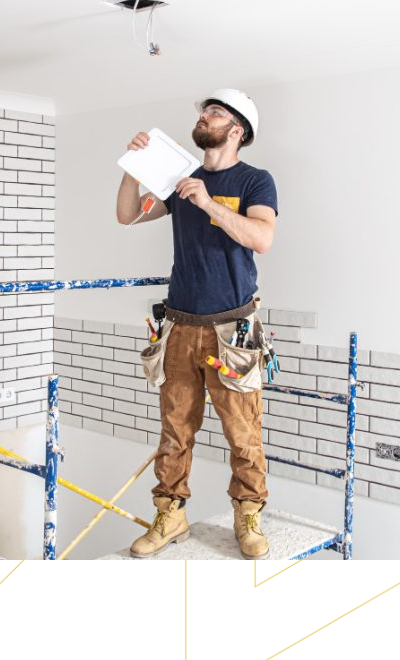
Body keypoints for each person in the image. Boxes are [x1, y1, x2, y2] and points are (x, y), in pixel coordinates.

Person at [115, 88, 278, 559]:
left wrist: (208, 203)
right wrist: (132, 168)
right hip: (181, 325)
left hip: (233, 331)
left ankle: (247, 516)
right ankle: (170, 515)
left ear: (237, 130)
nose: (204, 117)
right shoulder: (178, 177)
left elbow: (262, 238)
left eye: (215, 112)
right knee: (174, 430)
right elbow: (127, 215)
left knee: (243, 431)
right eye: (204, 111)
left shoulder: (254, 180)